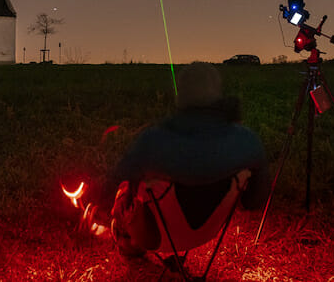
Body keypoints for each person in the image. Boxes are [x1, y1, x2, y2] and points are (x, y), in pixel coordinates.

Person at [107, 61, 269, 257]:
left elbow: (116, 179)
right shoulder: (248, 141)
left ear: (180, 96)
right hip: (209, 233)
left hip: (154, 237)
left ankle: (129, 244)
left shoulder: (153, 141)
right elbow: (254, 201)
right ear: (218, 94)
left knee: (124, 189)